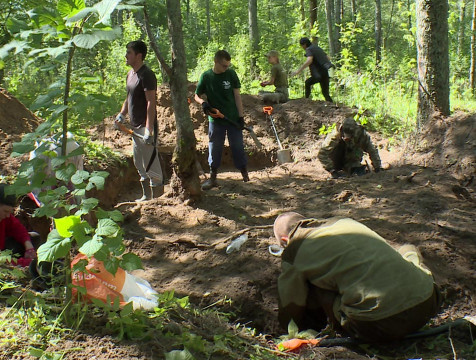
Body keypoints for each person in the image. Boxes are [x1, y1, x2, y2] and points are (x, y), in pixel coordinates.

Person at [273, 212, 441, 342]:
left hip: (379, 324)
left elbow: (291, 303)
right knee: (407, 250)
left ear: (285, 239)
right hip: (428, 303)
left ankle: (331, 327)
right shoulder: (345, 222)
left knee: (314, 286)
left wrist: (289, 330)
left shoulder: (294, 250)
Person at [115, 40, 164, 201]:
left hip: (145, 126)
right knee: (138, 161)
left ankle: (157, 199)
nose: (126, 55)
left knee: (151, 162)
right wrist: (122, 114)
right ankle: (146, 196)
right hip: (135, 126)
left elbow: (151, 102)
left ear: (139, 55)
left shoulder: (147, 75)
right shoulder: (130, 74)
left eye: (129, 52)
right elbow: (128, 97)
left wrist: (149, 130)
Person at [194, 50, 249, 190]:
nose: (226, 68)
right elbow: (196, 95)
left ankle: (245, 175)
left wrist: (241, 116)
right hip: (216, 121)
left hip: (233, 119)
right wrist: (204, 104)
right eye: (224, 65)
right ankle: (213, 178)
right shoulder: (206, 76)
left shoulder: (231, 74)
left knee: (238, 147)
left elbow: (237, 96)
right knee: (215, 148)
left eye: (228, 65)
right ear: (216, 62)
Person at [0, 183, 37, 267]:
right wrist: (24, 263)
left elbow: (17, 228)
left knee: (34, 238)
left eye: (10, 212)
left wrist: (29, 248)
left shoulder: (4, 217)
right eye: (5, 211)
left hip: (3, 249)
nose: (7, 216)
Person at [291, 37, 333, 102]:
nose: (302, 47)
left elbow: (309, 60)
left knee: (307, 83)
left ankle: (306, 100)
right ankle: (332, 107)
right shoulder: (317, 48)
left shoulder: (309, 49)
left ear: (304, 44)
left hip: (318, 74)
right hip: (325, 72)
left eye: (302, 45)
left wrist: (298, 71)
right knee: (325, 93)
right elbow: (328, 57)